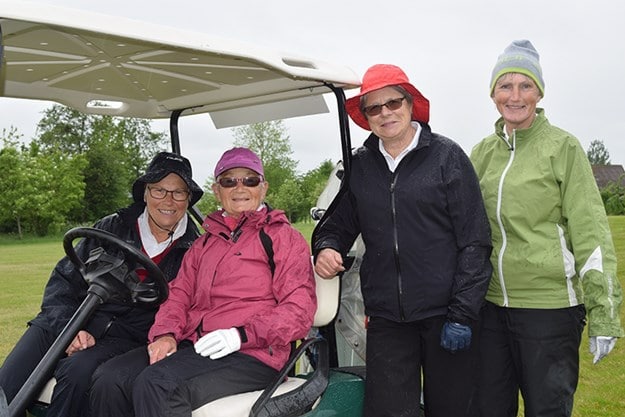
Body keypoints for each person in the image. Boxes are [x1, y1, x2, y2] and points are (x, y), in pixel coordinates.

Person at [312, 64, 493, 417]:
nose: (385, 113)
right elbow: (336, 225)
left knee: (452, 409)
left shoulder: (447, 157)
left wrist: (463, 313)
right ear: (365, 117)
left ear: (410, 105)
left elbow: (475, 241)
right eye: (374, 108)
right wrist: (327, 247)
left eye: (393, 103)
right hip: (387, 320)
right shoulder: (359, 166)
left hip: (446, 314)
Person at [89, 147, 316, 417]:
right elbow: (179, 294)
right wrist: (165, 333)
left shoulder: (282, 238)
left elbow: (298, 311)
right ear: (217, 191)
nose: (239, 187)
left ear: (263, 188)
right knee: (110, 378)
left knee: (159, 385)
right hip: (198, 345)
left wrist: (240, 335)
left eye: (250, 180)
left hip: (255, 354)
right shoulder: (205, 243)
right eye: (229, 181)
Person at [470, 39, 624, 417]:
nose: (515, 96)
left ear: (539, 92)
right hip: (491, 310)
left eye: (526, 85)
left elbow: (591, 233)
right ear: (493, 94)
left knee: (547, 410)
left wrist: (604, 313)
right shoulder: (481, 154)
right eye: (505, 86)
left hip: (549, 311)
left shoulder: (563, 148)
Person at [0, 151, 203, 417]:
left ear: (188, 199)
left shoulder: (195, 248)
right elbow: (62, 283)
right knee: (10, 378)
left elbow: (180, 310)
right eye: (159, 190)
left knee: (78, 372)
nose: (168, 200)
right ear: (144, 193)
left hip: (125, 336)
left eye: (178, 193)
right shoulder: (111, 227)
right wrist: (68, 328)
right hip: (72, 318)